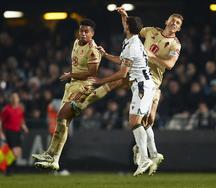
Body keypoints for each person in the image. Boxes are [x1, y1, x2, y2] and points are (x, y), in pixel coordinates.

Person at [71, 7, 183, 175]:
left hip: (150, 81)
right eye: (172, 20)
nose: (174, 23)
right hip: (138, 74)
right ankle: (151, 154)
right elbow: (132, 28)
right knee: (139, 117)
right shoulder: (145, 34)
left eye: (178, 23)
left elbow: (170, 65)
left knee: (142, 118)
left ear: (179, 28)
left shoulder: (173, 44)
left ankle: (147, 154)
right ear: (166, 21)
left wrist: (151, 56)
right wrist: (124, 17)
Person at [89, 12, 155, 176]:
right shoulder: (132, 40)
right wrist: (105, 55)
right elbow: (121, 59)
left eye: (125, 24)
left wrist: (101, 81)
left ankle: (146, 157)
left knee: (134, 122)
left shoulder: (132, 45)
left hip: (141, 86)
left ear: (128, 28)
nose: (123, 25)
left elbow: (122, 74)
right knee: (139, 122)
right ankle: (150, 155)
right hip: (143, 85)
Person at [32, 19, 102, 171]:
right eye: (81, 30)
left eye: (86, 31)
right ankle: (53, 157)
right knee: (63, 122)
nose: (83, 34)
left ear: (92, 34)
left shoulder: (93, 49)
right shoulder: (76, 42)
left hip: (84, 87)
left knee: (61, 117)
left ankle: (52, 155)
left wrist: (71, 74)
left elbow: (92, 73)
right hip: (71, 86)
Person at [0, 92, 29, 175]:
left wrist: (24, 128)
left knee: (17, 152)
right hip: (9, 131)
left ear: (18, 99)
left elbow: (21, 120)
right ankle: (8, 170)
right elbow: (2, 122)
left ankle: (6, 168)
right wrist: (1, 132)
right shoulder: (6, 109)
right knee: (14, 152)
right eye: (13, 97)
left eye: (16, 97)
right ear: (10, 99)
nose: (14, 99)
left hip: (17, 132)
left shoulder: (20, 109)